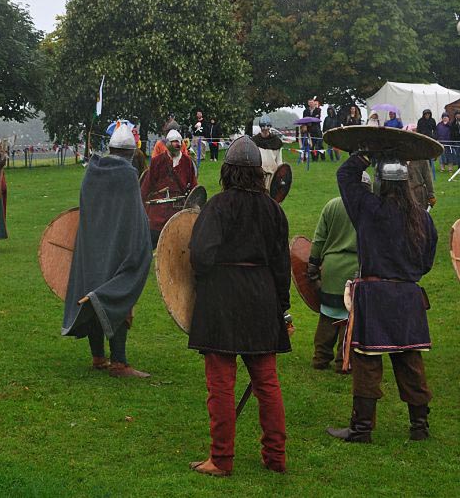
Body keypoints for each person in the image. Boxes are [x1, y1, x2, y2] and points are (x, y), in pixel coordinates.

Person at [187, 136, 290, 476]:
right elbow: (281, 267)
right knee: (267, 383)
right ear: (259, 174)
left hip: (223, 301)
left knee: (220, 383)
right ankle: (275, 457)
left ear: (228, 171)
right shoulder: (274, 210)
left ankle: (221, 459)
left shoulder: (218, 206)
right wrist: (282, 308)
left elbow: (200, 256)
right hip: (262, 300)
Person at [326, 153, 437, 443]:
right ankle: (419, 426)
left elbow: (345, 176)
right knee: (410, 361)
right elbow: (426, 263)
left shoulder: (368, 208)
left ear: (380, 183)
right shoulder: (423, 218)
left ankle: (362, 429)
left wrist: (364, 154)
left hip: (376, 297)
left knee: (367, 363)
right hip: (408, 297)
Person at [62, 122, 153, 378]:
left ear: (110, 147)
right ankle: (119, 363)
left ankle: (98, 357)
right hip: (118, 247)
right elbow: (134, 217)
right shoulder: (126, 175)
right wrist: (140, 246)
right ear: (130, 152)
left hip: (91, 247)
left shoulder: (91, 172)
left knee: (93, 293)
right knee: (117, 296)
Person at [308, 171, 369, 372]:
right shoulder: (370, 209)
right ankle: (343, 361)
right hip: (358, 268)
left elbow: (319, 240)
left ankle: (320, 358)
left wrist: (313, 265)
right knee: (350, 316)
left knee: (327, 315)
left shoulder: (332, 205)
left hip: (332, 269)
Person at [141, 128, 197, 246]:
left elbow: (193, 186)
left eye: (179, 141)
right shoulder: (157, 161)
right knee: (149, 243)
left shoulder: (187, 162)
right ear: (167, 143)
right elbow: (147, 185)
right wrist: (141, 204)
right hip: (158, 211)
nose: (177, 144)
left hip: (178, 209)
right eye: (174, 141)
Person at [252, 115, 285, 185]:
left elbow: (279, 160)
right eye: (263, 127)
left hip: (273, 174)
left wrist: (280, 173)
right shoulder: (254, 141)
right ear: (260, 127)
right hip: (258, 174)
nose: (265, 130)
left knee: (270, 195)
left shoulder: (276, 141)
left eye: (267, 127)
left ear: (270, 127)